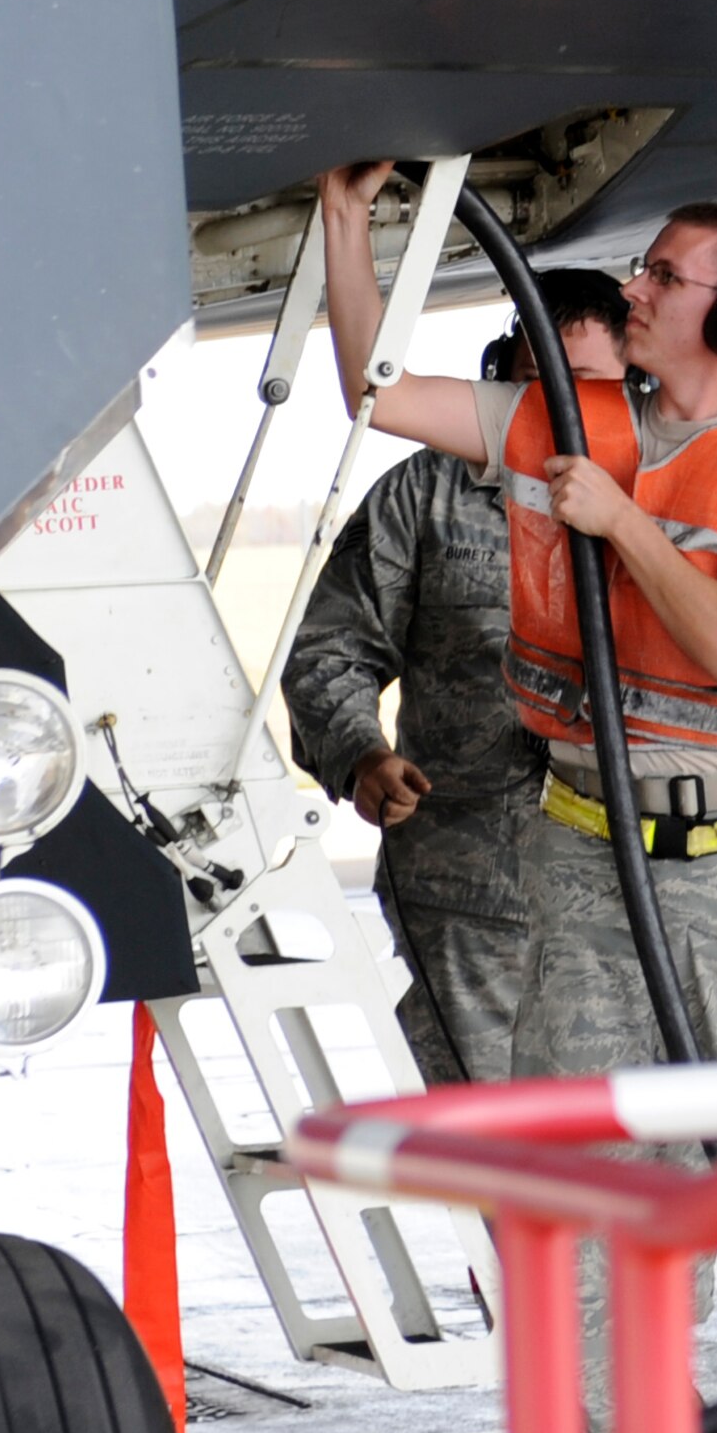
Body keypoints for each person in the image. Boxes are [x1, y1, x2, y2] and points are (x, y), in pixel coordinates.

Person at [317, 161, 717, 1429]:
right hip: (583, 864)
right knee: (577, 1189)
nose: (636, 285)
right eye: (646, 266)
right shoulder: (568, 422)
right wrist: (351, 223)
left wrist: (621, 523)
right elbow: (374, 392)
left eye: (665, 276)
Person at [282, 271, 629, 1085]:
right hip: (470, 893)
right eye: (536, 379)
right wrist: (360, 757)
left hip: (631, 895)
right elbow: (328, 648)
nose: (563, 407)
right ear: (501, 371)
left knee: (641, 1149)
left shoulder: (662, 492)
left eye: (590, 386)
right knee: (504, 1154)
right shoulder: (423, 495)